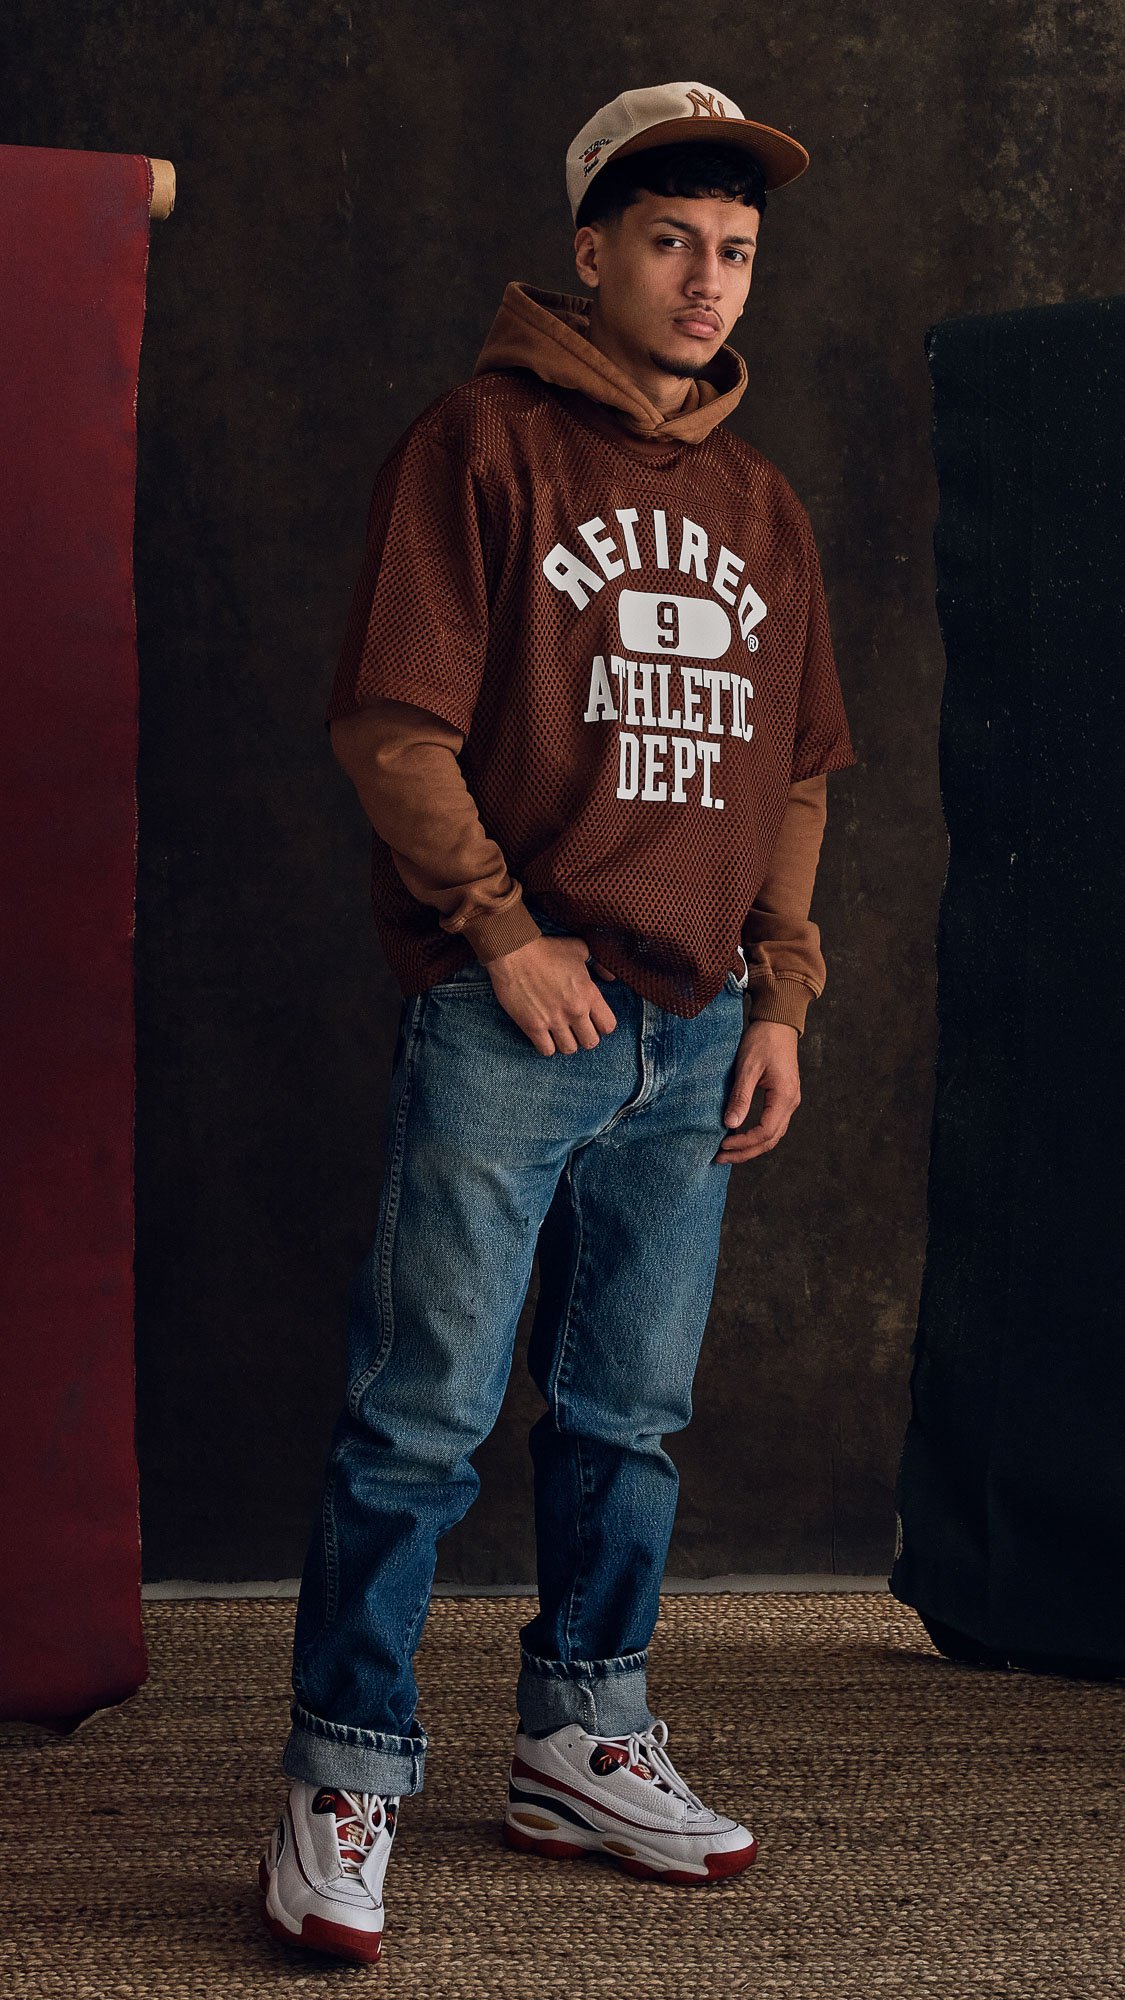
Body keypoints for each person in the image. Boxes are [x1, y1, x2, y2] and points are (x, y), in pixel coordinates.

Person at [258, 78, 856, 1964]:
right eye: (670, 242)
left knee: (629, 1417)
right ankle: (344, 1772)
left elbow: (797, 773)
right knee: (419, 1417)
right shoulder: (480, 445)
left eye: (735, 250)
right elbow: (391, 726)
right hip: (515, 1013)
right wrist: (500, 935)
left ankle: (582, 1739)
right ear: (592, 250)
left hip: (694, 1025)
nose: (706, 280)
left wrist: (781, 990)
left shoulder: (762, 505)